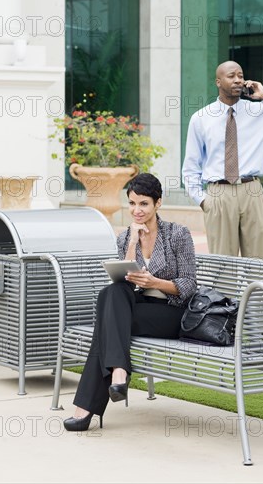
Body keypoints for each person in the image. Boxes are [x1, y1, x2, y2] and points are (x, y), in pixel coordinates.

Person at [63, 173, 197, 432]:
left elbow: (189, 285)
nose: (137, 210)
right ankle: (118, 373)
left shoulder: (177, 234)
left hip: (171, 312)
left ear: (158, 204)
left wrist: (154, 282)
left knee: (107, 321)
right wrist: (134, 241)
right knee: (111, 293)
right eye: (132, 203)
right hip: (138, 307)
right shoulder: (126, 237)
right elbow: (123, 279)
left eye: (144, 204)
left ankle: (86, 408)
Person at [182, 60, 263, 260]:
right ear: (218, 82)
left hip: (252, 191)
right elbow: (191, 166)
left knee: (260, 261)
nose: (238, 80)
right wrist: (203, 200)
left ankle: (257, 293)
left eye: (240, 75)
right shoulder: (201, 118)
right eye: (231, 76)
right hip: (218, 193)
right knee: (222, 265)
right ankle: (223, 294)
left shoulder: (260, 111)